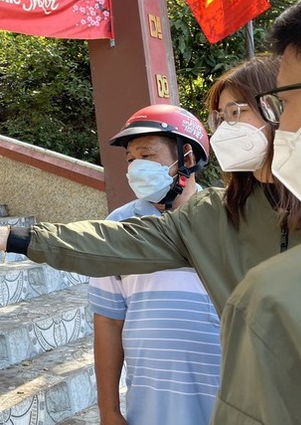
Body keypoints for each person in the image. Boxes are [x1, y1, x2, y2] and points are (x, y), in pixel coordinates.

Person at [0, 55, 301, 316]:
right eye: (219, 119)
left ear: (280, 108)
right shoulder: (211, 218)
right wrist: (13, 237)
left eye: (235, 113)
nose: (225, 131)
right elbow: (114, 242)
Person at [212, 0, 301, 424]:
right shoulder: (214, 211)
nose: (224, 130)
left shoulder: (272, 299)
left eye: (285, 102)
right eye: (219, 117)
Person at [88, 105, 221, 425]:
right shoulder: (119, 226)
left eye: (146, 156)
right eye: (131, 159)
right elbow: (108, 322)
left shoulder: (226, 219)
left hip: (227, 402)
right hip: (151, 409)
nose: (135, 168)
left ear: (187, 158)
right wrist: (109, 410)